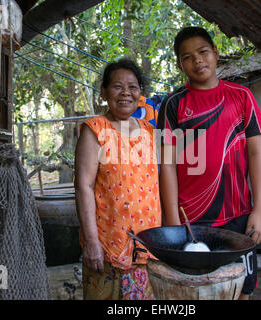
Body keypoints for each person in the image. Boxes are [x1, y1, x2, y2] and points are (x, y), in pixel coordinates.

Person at [157, 27, 261, 300]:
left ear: (216, 53)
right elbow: (167, 165)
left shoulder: (242, 97)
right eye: (187, 57)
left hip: (238, 216)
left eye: (203, 52)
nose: (197, 60)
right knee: (196, 293)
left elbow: (256, 154)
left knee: (243, 289)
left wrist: (260, 210)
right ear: (180, 64)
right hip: (191, 220)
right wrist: (173, 224)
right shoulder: (172, 104)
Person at [75, 58, 161, 300]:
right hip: (107, 248)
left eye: (133, 87)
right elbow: (83, 186)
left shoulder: (149, 131)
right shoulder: (95, 130)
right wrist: (92, 242)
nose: (126, 93)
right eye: (117, 86)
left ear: (140, 94)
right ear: (104, 92)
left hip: (146, 248)